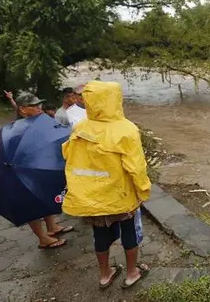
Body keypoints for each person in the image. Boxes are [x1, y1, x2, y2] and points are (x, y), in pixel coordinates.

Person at [62, 81, 151, 289]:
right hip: (121, 194)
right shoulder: (126, 129)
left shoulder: (81, 127)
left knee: (99, 234)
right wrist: (143, 189)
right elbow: (136, 166)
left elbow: (68, 155)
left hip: (91, 195)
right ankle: (131, 273)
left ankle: (105, 274)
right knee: (129, 231)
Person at [14, 92, 74, 249]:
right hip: (28, 171)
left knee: (46, 196)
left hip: (44, 167)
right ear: (22, 109)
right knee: (32, 204)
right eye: (33, 106)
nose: (39, 108)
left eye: (38, 104)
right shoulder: (18, 129)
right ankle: (42, 238)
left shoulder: (40, 122)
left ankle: (52, 227)